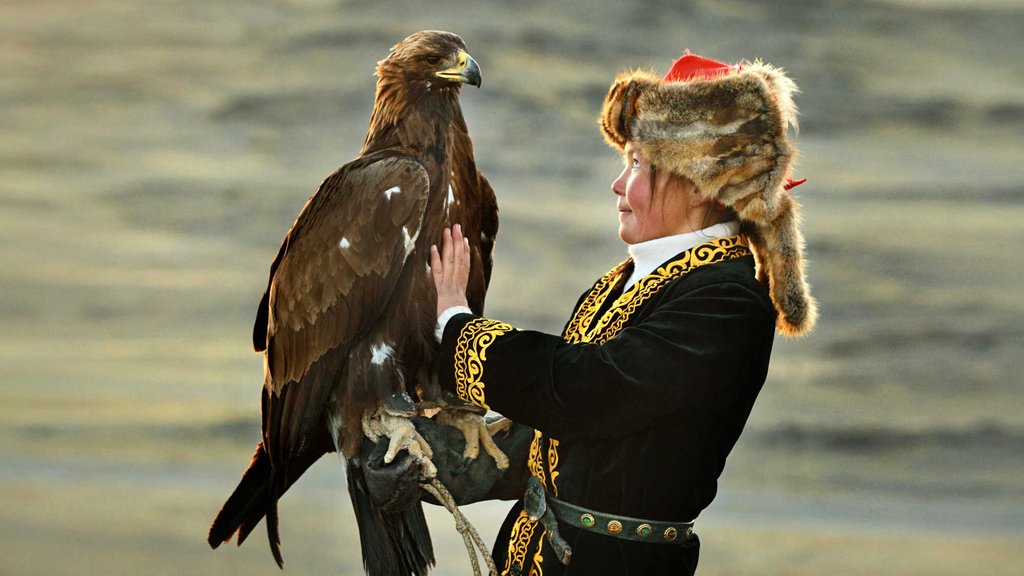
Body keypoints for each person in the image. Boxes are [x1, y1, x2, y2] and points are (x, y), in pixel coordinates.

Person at [427, 52, 817, 576]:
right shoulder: (637, 279)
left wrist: (456, 328)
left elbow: (586, 392)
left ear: (703, 182)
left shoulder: (727, 301)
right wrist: (443, 457)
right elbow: (585, 438)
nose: (617, 183)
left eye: (636, 162)